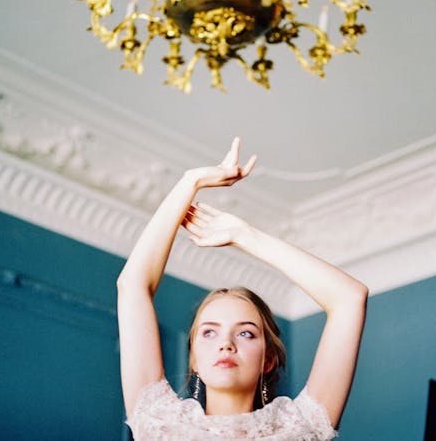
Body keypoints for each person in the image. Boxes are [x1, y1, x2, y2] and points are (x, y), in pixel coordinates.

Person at [117, 137, 368, 440]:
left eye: (246, 332)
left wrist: (244, 235)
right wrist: (190, 181)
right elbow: (131, 286)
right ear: (194, 358)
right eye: (209, 332)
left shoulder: (301, 426)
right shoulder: (160, 421)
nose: (226, 344)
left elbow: (349, 298)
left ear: (268, 360)